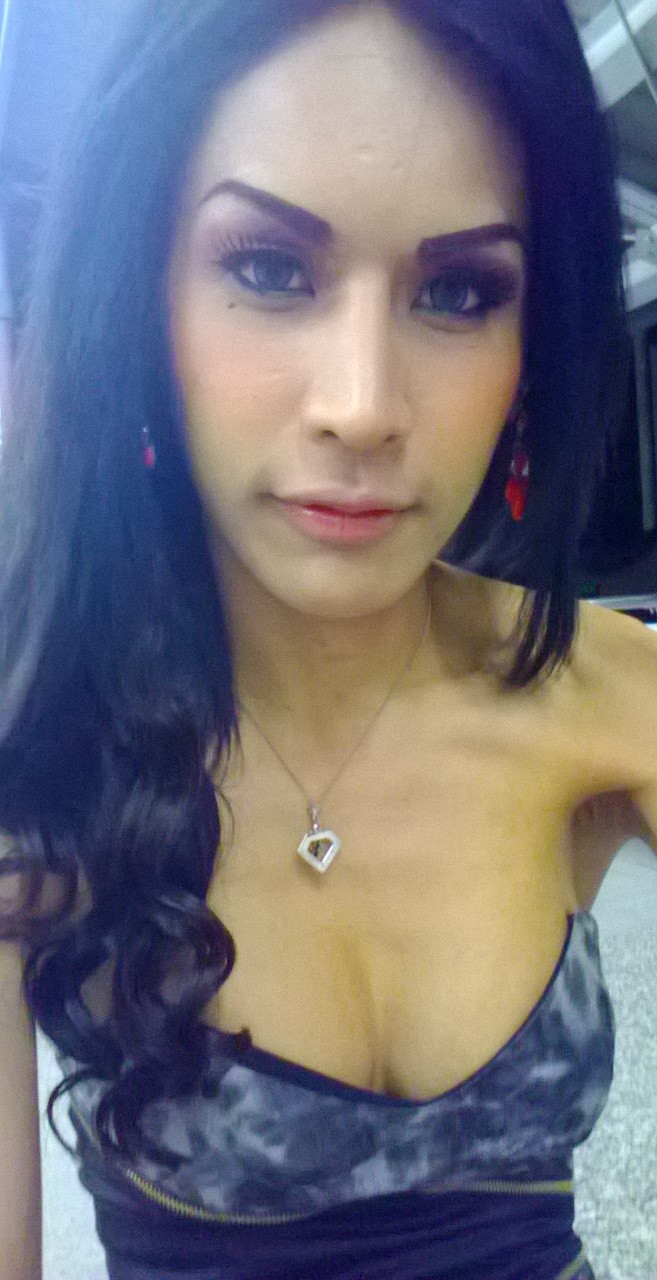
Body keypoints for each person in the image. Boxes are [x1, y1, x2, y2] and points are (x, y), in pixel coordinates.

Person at [0, 1, 656, 1278]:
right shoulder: (41, 744)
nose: (362, 405)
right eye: (268, 267)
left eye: (459, 291)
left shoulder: (610, 695)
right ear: (140, 296)